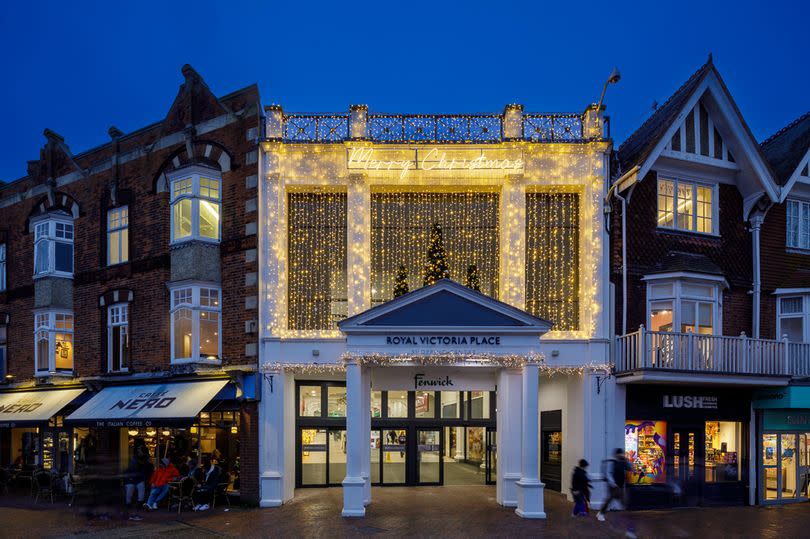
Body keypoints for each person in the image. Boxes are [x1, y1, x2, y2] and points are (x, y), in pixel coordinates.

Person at [597, 448, 636, 538]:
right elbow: (609, 473)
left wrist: (626, 460)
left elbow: (631, 469)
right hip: (614, 486)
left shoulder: (623, 462)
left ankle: (602, 513)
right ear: (617, 454)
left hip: (621, 486)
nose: (621, 455)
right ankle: (628, 529)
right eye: (620, 454)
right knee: (613, 499)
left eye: (622, 454)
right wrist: (613, 483)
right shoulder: (612, 462)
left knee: (615, 500)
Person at [123, 456, 146, 521]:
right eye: (132, 462)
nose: (134, 463)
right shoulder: (128, 470)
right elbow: (126, 479)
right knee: (129, 493)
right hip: (131, 481)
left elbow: (142, 476)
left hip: (138, 481)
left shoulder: (139, 468)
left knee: (140, 495)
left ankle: (136, 512)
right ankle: (130, 512)